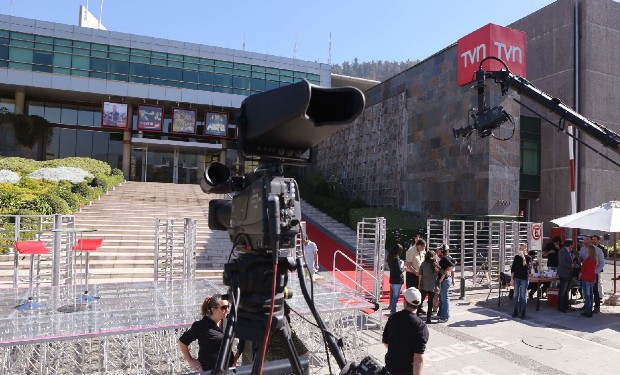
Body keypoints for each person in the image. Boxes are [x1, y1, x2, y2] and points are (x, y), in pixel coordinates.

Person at [178, 294, 233, 372]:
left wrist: (236, 358)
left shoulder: (229, 321)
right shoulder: (201, 326)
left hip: (228, 368)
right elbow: (182, 342)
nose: (227, 310)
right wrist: (190, 360)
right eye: (224, 307)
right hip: (209, 370)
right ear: (213, 310)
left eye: (228, 306)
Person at [382, 287, 429, 375]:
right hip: (407, 370)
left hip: (391, 368)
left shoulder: (393, 318)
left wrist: (397, 351)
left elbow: (385, 341)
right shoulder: (421, 326)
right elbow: (418, 357)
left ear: (404, 302)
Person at [510, 243, 531, 319]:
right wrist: (511, 279)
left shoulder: (528, 257)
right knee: (516, 295)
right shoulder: (516, 257)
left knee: (523, 295)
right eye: (520, 248)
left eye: (522, 248)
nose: (521, 249)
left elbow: (526, 267)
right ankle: (515, 311)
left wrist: (523, 257)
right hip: (516, 278)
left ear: (526, 248)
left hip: (524, 279)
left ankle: (523, 313)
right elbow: (513, 268)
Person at [418, 250, 440, 324]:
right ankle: (428, 319)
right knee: (430, 303)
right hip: (432, 286)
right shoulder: (435, 265)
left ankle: (417, 316)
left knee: (420, 301)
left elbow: (420, 275)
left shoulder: (423, 264)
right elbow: (443, 272)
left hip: (424, 285)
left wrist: (419, 284)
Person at [437, 245, 456, 323]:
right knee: (443, 298)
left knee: (444, 299)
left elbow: (451, 266)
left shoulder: (444, 258)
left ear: (442, 251)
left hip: (444, 280)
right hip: (445, 279)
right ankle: (442, 314)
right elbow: (454, 263)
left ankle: (445, 317)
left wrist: (442, 277)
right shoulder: (447, 257)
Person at [579, 244, 598, 317]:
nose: (586, 250)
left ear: (589, 251)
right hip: (592, 278)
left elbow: (583, 269)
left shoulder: (587, 260)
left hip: (586, 278)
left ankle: (588, 311)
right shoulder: (594, 259)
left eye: (587, 249)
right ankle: (590, 310)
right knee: (590, 294)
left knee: (587, 295)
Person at [557, 239, 575, 313]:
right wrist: (571, 265)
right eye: (572, 244)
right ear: (570, 245)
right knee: (562, 291)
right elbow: (562, 263)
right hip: (564, 273)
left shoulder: (569, 252)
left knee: (567, 290)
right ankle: (561, 306)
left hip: (569, 273)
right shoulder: (562, 251)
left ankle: (566, 305)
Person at [387, 243, 405, 315]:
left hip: (392, 278)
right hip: (398, 279)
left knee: (394, 295)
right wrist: (403, 268)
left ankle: (392, 309)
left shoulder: (390, 257)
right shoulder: (396, 258)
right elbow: (399, 270)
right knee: (396, 296)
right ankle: (393, 310)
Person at [591, 235, 606, 313]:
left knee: (598, 283)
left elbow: (602, 261)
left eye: (594, 239)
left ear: (598, 240)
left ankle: (600, 297)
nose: (593, 241)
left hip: (597, 269)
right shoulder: (589, 248)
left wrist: (597, 270)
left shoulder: (600, 248)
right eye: (592, 239)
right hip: (589, 271)